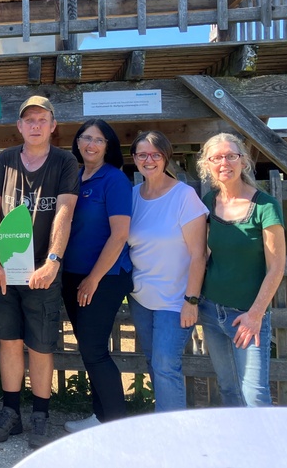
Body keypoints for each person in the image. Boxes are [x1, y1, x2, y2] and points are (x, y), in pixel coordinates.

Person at [0, 95, 78, 449]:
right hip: (6, 272)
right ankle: (11, 413)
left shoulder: (65, 162)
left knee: (40, 345)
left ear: (53, 125)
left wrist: (52, 262)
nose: (35, 125)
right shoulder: (4, 160)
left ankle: (40, 415)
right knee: (8, 342)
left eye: (42, 119)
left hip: (42, 273)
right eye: (28, 120)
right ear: (19, 126)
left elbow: (65, 212)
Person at [196, 133, 285, 407]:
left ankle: (265, 450)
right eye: (216, 157)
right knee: (229, 389)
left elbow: (277, 266)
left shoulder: (265, 206)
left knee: (255, 395)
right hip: (211, 311)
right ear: (207, 165)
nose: (224, 162)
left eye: (231, 155)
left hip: (248, 316)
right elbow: (202, 253)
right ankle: (238, 449)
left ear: (243, 160)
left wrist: (255, 315)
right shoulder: (209, 201)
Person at [127, 130, 207, 412]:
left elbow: (199, 255)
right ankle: (164, 423)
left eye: (155, 154)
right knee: (154, 362)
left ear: (165, 157)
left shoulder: (185, 197)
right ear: (134, 159)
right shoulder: (133, 195)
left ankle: (173, 435)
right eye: (142, 154)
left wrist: (191, 301)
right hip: (141, 298)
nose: (149, 160)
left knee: (165, 365)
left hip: (175, 300)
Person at [61, 119, 133, 432]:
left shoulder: (114, 180)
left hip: (104, 276)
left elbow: (119, 235)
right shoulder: (75, 177)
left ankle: (114, 425)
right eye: (86, 138)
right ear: (77, 143)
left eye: (99, 140)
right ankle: (101, 418)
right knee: (89, 348)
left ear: (108, 146)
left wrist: (93, 279)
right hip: (72, 275)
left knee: (94, 350)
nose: (91, 144)